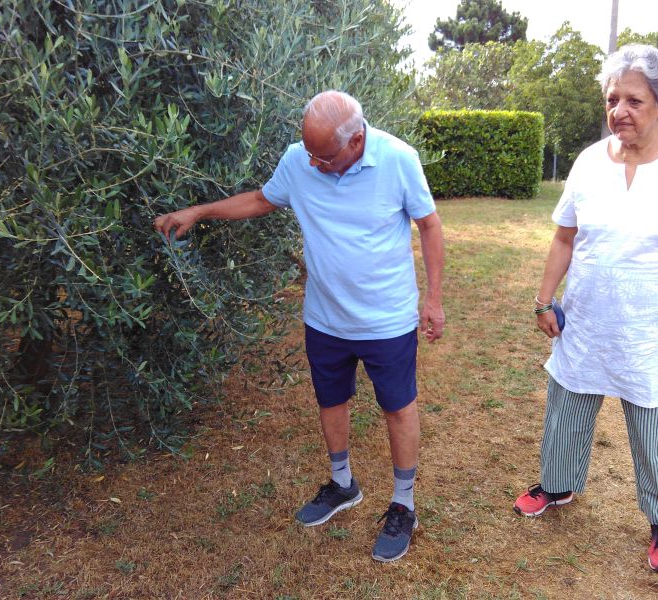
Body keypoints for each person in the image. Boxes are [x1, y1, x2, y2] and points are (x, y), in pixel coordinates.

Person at [154, 90, 445, 563]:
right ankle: (342, 484)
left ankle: (403, 505)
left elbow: (429, 225)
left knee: (397, 408)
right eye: (308, 152)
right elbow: (259, 200)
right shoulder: (300, 159)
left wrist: (433, 298)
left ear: (356, 141)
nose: (311, 164)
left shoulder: (398, 159)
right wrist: (199, 212)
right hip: (324, 318)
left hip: (386, 320)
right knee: (331, 400)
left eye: (323, 157)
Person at [512, 44, 658, 574]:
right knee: (567, 407)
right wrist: (545, 299)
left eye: (634, 100)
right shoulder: (590, 162)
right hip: (587, 320)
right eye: (613, 99)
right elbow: (564, 237)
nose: (620, 111)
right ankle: (557, 485)